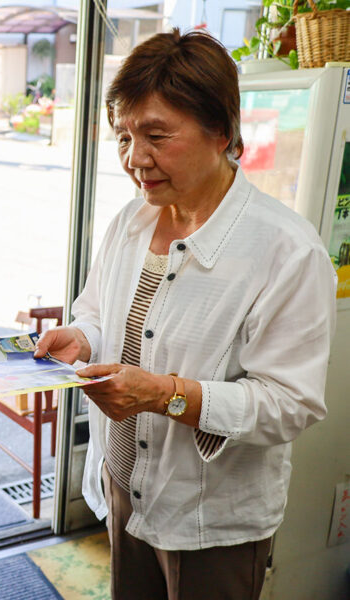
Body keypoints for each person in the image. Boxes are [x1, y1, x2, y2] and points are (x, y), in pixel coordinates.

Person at [34, 29, 336, 600]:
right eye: (123, 136)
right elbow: (99, 313)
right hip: (123, 485)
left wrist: (165, 394)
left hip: (210, 518)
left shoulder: (286, 251)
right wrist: (80, 336)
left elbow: (290, 403)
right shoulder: (131, 221)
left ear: (222, 132)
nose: (134, 159)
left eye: (155, 136)